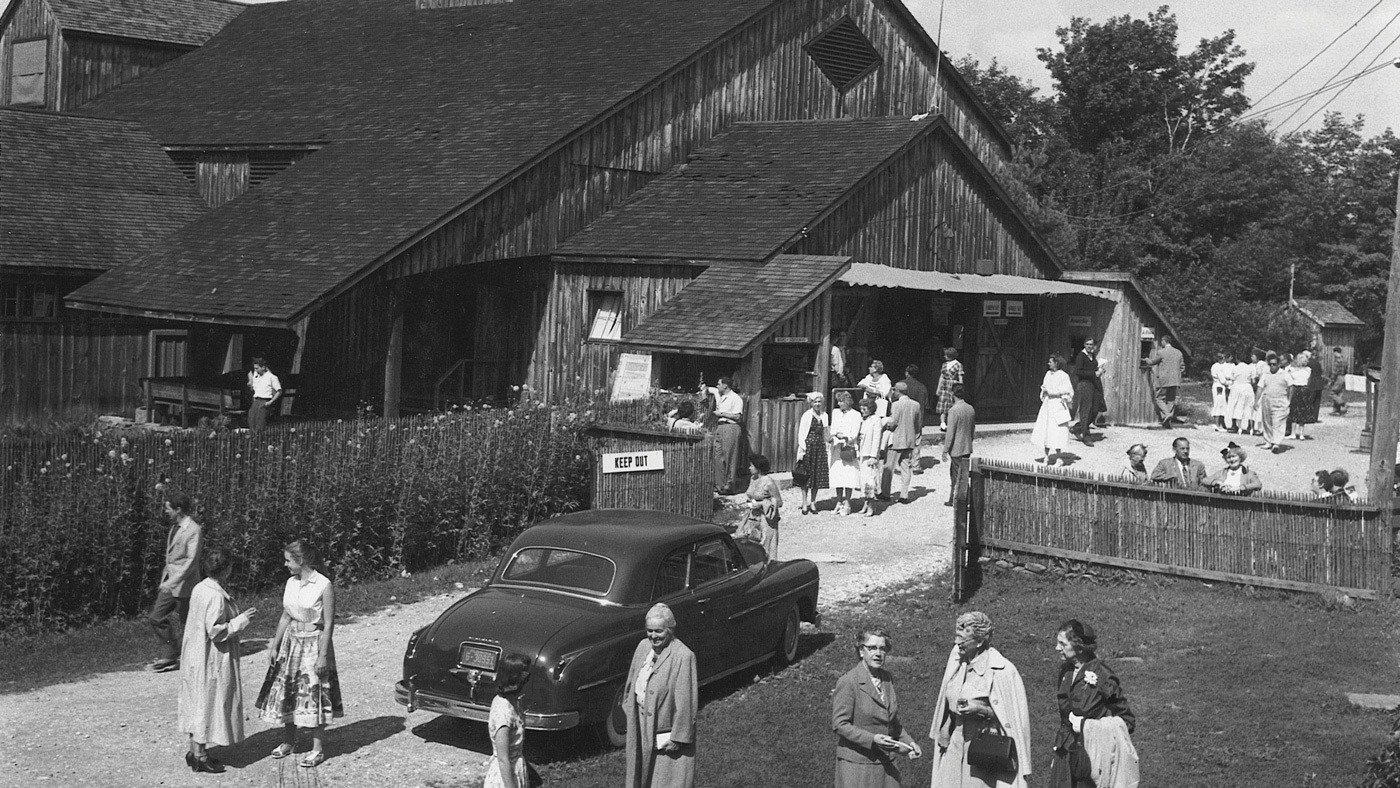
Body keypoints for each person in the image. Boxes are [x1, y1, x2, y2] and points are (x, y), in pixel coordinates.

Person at [256, 540, 343, 768]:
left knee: (314, 693)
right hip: (291, 644)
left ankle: (317, 749)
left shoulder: (324, 585)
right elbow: (286, 616)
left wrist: (323, 655)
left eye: (288, 560)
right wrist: (274, 645)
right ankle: (289, 741)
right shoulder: (290, 583)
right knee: (289, 691)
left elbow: (329, 622)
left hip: (314, 644)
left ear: (301, 560)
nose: (285, 565)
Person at [929, 612, 1032, 788]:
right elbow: (949, 702)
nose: (956, 643)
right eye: (956, 637)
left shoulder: (1001, 670)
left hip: (983, 744)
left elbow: (1010, 718)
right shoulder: (957, 661)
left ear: (979, 641)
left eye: (963, 640)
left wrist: (981, 710)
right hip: (956, 740)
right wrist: (946, 726)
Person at [178, 546, 255, 774]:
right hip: (210, 657)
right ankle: (200, 755)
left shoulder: (200, 588)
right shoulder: (215, 596)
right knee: (206, 701)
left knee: (197, 700)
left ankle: (195, 749)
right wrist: (241, 620)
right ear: (227, 570)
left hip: (195, 654)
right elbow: (216, 632)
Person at [1048, 620, 1138, 788]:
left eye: (1062, 643)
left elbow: (1127, 721)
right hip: (1064, 754)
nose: (1057, 648)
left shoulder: (1103, 675)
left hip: (1091, 758)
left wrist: (1090, 727)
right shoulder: (1065, 671)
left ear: (1078, 646)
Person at [832, 627, 922, 786]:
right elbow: (840, 724)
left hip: (885, 763)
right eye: (872, 648)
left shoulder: (886, 679)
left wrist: (908, 742)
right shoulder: (849, 682)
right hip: (858, 765)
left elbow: (891, 721)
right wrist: (872, 739)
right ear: (861, 651)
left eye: (883, 648)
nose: (878, 653)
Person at [624, 603, 697, 788]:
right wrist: (629, 707)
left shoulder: (683, 656)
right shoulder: (643, 646)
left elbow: (686, 701)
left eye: (659, 631)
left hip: (664, 731)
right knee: (639, 776)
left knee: (663, 780)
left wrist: (678, 737)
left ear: (670, 630)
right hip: (640, 726)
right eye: (649, 630)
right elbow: (632, 680)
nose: (653, 636)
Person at [149, 491, 203, 673]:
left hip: (185, 584)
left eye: (168, 509)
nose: (166, 512)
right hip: (170, 583)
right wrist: (167, 580)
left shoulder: (194, 530)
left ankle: (195, 657)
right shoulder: (174, 527)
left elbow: (191, 561)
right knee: (156, 617)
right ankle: (171, 652)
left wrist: (172, 580)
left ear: (178, 510)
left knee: (188, 622)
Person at [484, 653, 532, 788]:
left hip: (516, 769)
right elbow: (503, 759)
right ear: (514, 679)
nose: (527, 681)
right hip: (505, 778)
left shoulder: (511, 701)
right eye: (524, 677)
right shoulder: (503, 712)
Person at [882, 383, 922, 506]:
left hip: (897, 439)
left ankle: (885, 493)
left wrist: (885, 424)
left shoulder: (896, 405)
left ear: (898, 391)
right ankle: (904, 495)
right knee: (906, 467)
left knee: (889, 467)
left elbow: (893, 423)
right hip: (909, 439)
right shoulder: (916, 405)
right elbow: (918, 423)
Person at [705, 377, 746, 494]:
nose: (717, 386)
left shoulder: (735, 399)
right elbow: (710, 389)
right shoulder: (720, 396)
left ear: (725, 386)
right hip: (720, 427)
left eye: (719, 384)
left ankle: (729, 485)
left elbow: (738, 416)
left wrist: (722, 414)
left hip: (730, 427)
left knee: (729, 457)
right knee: (717, 457)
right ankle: (719, 485)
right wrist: (704, 390)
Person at [1032, 353, 1074, 466]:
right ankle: (1046, 457)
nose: (1048, 363)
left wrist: (1059, 395)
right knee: (1045, 430)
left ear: (1056, 363)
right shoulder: (1048, 374)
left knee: (1057, 431)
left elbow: (1069, 391)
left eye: (1050, 362)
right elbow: (1044, 387)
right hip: (1048, 404)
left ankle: (1059, 458)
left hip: (1058, 405)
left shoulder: (1064, 376)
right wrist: (1045, 392)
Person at [795, 391, 831, 514]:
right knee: (806, 476)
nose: (817, 404)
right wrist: (803, 448)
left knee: (817, 476)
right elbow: (801, 433)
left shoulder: (824, 415)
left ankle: (813, 502)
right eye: (815, 402)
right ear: (811, 403)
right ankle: (804, 503)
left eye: (819, 402)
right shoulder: (807, 415)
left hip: (819, 447)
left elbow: (826, 432)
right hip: (808, 447)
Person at [739, 454, 781, 558]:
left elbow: (779, 502)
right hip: (752, 518)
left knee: (765, 547)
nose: (749, 468)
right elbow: (750, 494)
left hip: (766, 520)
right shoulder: (753, 478)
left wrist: (761, 504)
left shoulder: (769, 482)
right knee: (752, 546)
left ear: (758, 467)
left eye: (751, 466)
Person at [831, 391, 864, 516]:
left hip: (848, 448)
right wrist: (835, 435)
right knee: (837, 476)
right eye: (838, 401)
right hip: (836, 448)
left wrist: (843, 436)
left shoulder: (856, 415)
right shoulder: (835, 412)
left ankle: (848, 503)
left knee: (849, 476)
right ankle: (838, 501)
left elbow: (854, 433)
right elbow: (833, 429)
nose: (840, 403)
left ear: (848, 402)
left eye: (842, 401)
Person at [943, 384, 975, 507]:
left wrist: (945, 450)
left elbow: (950, 432)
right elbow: (972, 429)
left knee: (955, 475)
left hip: (956, 448)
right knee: (964, 473)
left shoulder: (953, 410)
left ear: (953, 394)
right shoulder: (970, 408)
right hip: (966, 446)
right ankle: (965, 498)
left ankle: (955, 499)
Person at [1143, 336, 1184, 427]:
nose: (1161, 343)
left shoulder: (1161, 352)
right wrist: (1176, 374)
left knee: (1159, 398)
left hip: (1163, 380)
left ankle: (1167, 414)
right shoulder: (1178, 352)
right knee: (1170, 400)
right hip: (1175, 381)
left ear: (1164, 341)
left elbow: (1152, 362)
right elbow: (1182, 367)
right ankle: (1167, 422)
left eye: (1161, 341)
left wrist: (1146, 359)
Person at [856, 398, 888, 517]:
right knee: (863, 481)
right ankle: (865, 504)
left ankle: (871, 506)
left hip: (870, 455)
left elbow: (876, 439)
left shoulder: (876, 420)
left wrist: (874, 456)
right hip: (862, 454)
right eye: (861, 408)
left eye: (864, 409)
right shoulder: (863, 420)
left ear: (871, 409)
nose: (862, 411)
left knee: (870, 481)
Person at [1069, 339, 1104, 443]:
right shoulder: (1081, 356)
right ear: (1084, 345)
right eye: (1087, 344)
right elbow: (1078, 372)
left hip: (1093, 385)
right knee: (1086, 410)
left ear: (1093, 346)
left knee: (1094, 410)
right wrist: (1094, 374)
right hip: (1084, 385)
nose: (1089, 346)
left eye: (1091, 344)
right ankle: (1086, 436)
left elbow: (1092, 369)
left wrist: (1100, 370)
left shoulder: (1092, 356)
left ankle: (1078, 427)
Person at [1257, 353, 1291, 451]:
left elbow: (1291, 387)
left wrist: (1289, 399)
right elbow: (1260, 388)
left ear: (1278, 364)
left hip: (1280, 400)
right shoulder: (1266, 374)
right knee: (1267, 422)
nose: (1272, 366)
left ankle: (1276, 443)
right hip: (1267, 400)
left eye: (1274, 364)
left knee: (1277, 422)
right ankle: (1268, 441)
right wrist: (1256, 401)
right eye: (1270, 364)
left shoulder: (1284, 373)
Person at [247, 356, 282, 431]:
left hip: (264, 401)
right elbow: (251, 377)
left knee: (260, 423)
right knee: (251, 419)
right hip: (256, 401)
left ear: (263, 367)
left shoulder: (272, 377)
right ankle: (253, 438)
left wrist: (270, 402)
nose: (255, 370)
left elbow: (279, 391)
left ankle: (259, 439)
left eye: (257, 368)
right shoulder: (256, 376)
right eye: (254, 368)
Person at [1228, 350, 1256, 434]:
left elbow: (1232, 379)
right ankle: (1247, 426)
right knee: (1248, 407)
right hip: (1247, 387)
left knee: (1235, 406)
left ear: (1237, 359)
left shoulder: (1235, 368)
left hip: (1237, 387)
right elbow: (1253, 381)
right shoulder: (1251, 368)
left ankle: (1235, 426)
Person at [936, 348, 963, 430]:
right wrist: (938, 388)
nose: (944, 356)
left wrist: (960, 388)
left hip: (953, 385)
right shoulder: (944, 364)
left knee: (952, 404)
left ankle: (952, 422)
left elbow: (960, 377)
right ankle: (943, 423)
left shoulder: (958, 364)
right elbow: (941, 377)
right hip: (944, 386)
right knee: (943, 404)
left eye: (946, 355)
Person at [1209, 351, 1233, 432]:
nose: (1224, 360)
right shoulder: (1217, 367)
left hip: (1220, 386)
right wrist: (1230, 383)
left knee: (1222, 405)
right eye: (1222, 358)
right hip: (1219, 386)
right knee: (1218, 404)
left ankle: (1220, 425)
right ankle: (1217, 424)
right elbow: (1222, 380)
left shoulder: (1217, 366)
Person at [1249, 347, 1268, 436]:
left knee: (1260, 407)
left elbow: (1260, 375)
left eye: (1253, 356)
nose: (1252, 358)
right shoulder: (1250, 365)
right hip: (1254, 387)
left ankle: (1260, 428)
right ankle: (1253, 427)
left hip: (1261, 386)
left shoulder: (1262, 364)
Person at [1329, 346, 1350, 415]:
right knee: (1339, 393)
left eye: (1334, 353)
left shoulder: (1337, 360)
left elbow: (1335, 371)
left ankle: (1343, 403)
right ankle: (1336, 410)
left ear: (1336, 352)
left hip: (1338, 377)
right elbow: (1347, 369)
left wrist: (1332, 380)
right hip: (1344, 377)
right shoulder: (1345, 359)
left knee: (1332, 393)